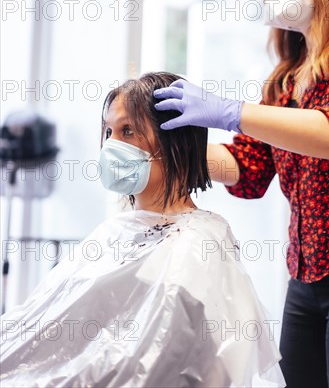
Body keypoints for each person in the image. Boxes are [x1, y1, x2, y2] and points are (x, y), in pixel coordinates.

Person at [153, 0, 329, 388]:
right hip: (305, 277)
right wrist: (171, 154)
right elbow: (248, 165)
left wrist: (230, 111)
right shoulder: (285, 81)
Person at [0, 72, 285, 388]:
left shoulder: (196, 244)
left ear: (173, 144)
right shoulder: (118, 231)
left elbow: (163, 362)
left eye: (127, 131)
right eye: (108, 131)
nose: (110, 145)